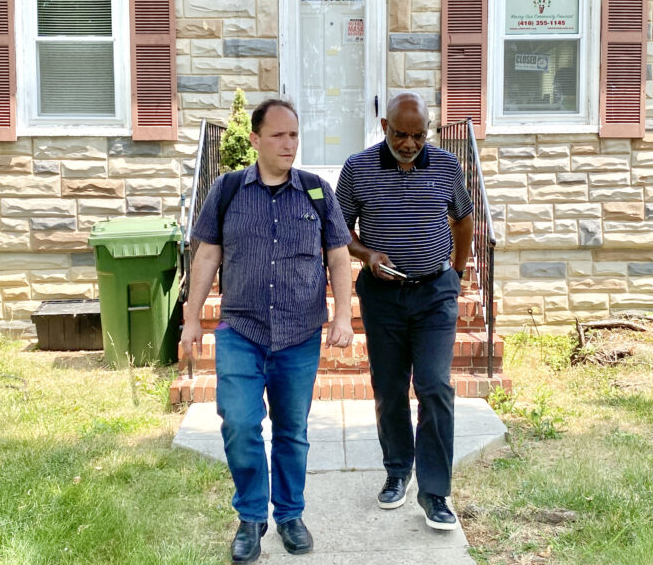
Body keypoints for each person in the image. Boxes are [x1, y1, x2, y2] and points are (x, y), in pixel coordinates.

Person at [181, 99, 353, 563]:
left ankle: (290, 515)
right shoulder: (229, 189)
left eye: (294, 135)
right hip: (241, 329)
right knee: (239, 423)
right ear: (255, 139)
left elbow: (338, 256)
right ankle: (251, 516)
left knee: (292, 430)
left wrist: (342, 317)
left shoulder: (317, 191)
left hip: (299, 333)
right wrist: (192, 318)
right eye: (278, 135)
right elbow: (206, 256)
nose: (288, 144)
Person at [334, 92, 474, 531]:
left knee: (434, 386)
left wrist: (457, 270)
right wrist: (367, 254)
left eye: (419, 135)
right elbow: (338, 230)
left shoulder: (447, 166)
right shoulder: (358, 169)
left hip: (434, 294)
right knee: (390, 387)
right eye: (401, 134)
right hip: (383, 297)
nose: (410, 143)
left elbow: (464, 219)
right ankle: (397, 470)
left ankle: (435, 493)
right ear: (384, 127)